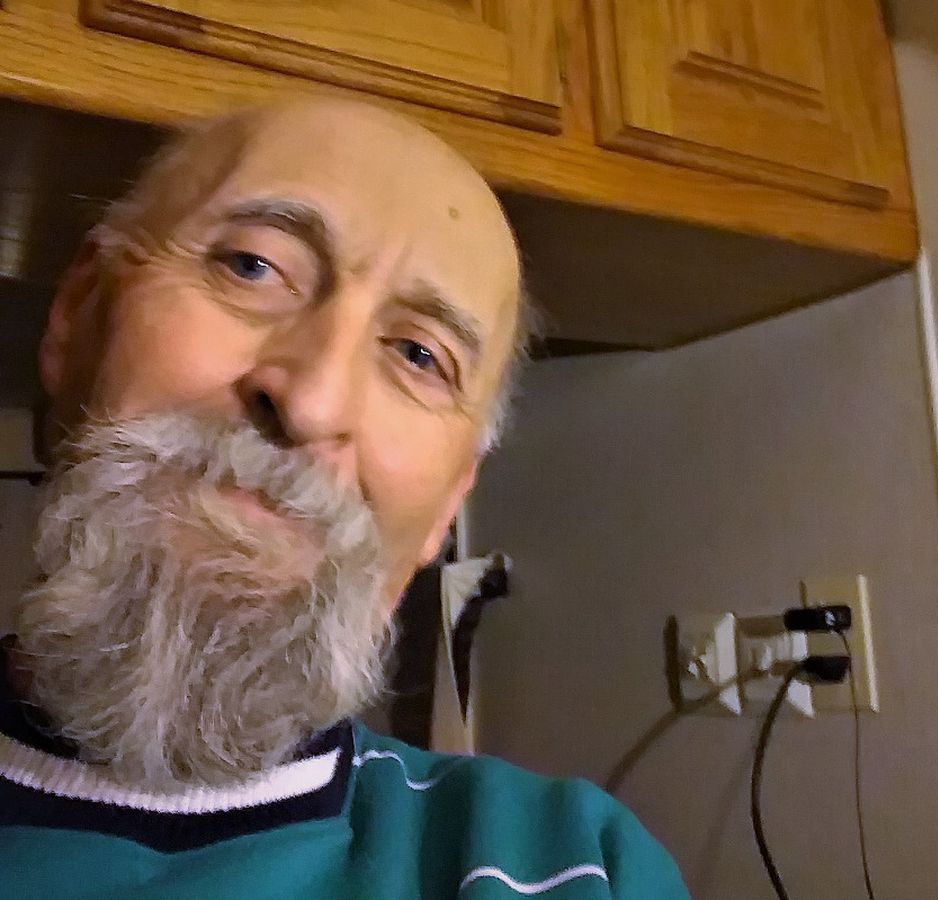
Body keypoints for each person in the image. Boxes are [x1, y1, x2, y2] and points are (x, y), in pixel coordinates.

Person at [0, 96, 689, 899]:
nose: (313, 402)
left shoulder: (582, 868)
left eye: (419, 355)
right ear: (78, 314)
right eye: (252, 266)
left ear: (447, 505)